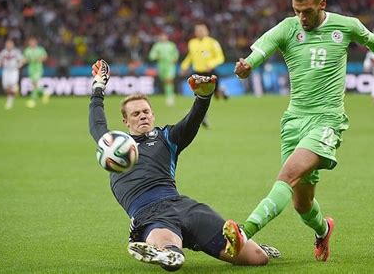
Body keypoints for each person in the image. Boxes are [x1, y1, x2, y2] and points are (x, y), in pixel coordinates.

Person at [222, 0, 374, 262]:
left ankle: (244, 232)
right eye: (297, 11)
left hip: (327, 121)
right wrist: (247, 67)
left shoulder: (346, 25)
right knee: (301, 203)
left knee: (287, 176)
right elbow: (260, 51)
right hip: (293, 122)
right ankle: (323, 229)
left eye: (307, 11)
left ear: (322, 4)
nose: (302, 17)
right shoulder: (288, 27)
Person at [88, 60, 279, 271]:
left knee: (258, 258)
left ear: (153, 115)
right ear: (125, 121)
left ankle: (245, 243)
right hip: (149, 214)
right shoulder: (113, 145)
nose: (142, 115)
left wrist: (204, 97)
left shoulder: (166, 137)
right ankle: (166, 252)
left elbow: (191, 123)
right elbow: (97, 122)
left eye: (145, 111)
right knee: (169, 250)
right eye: (135, 113)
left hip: (183, 206)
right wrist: (98, 86)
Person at [180, 23, 227, 127]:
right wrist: (184, 66)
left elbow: (220, 57)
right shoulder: (192, 43)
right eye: (198, 30)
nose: (200, 32)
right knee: (199, 97)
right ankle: (202, 116)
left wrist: (211, 64)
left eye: (202, 30)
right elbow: (190, 56)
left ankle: (221, 91)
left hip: (210, 73)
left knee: (217, 96)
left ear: (207, 31)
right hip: (197, 73)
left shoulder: (213, 43)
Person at [148, 32, 179, 106]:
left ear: (167, 37)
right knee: (165, 81)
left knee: (169, 80)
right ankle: (169, 93)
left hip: (170, 65)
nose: (163, 38)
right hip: (161, 66)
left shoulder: (171, 45)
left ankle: (170, 97)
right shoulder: (157, 46)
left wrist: (175, 58)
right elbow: (151, 56)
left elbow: (176, 54)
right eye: (161, 36)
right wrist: (156, 56)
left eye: (164, 36)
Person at [0, 39, 23, 110]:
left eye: (10, 44)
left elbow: (21, 60)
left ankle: (9, 101)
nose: (9, 45)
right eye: (7, 44)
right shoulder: (3, 52)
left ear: (13, 45)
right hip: (6, 71)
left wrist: (19, 65)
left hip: (14, 71)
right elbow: (0, 60)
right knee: (6, 87)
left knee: (11, 85)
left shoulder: (16, 52)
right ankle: (15, 91)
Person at [22, 36, 49, 108]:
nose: (32, 43)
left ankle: (33, 98)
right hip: (31, 68)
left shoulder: (40, 50)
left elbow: (45, 57)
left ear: (36, 42)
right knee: (34, 83)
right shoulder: (27, 50)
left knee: (35, 82)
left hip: (38, 68)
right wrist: (23, 61)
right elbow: (25, 59)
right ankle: (44, 93)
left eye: (33, 42)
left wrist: (39, 59)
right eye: (30, 42)